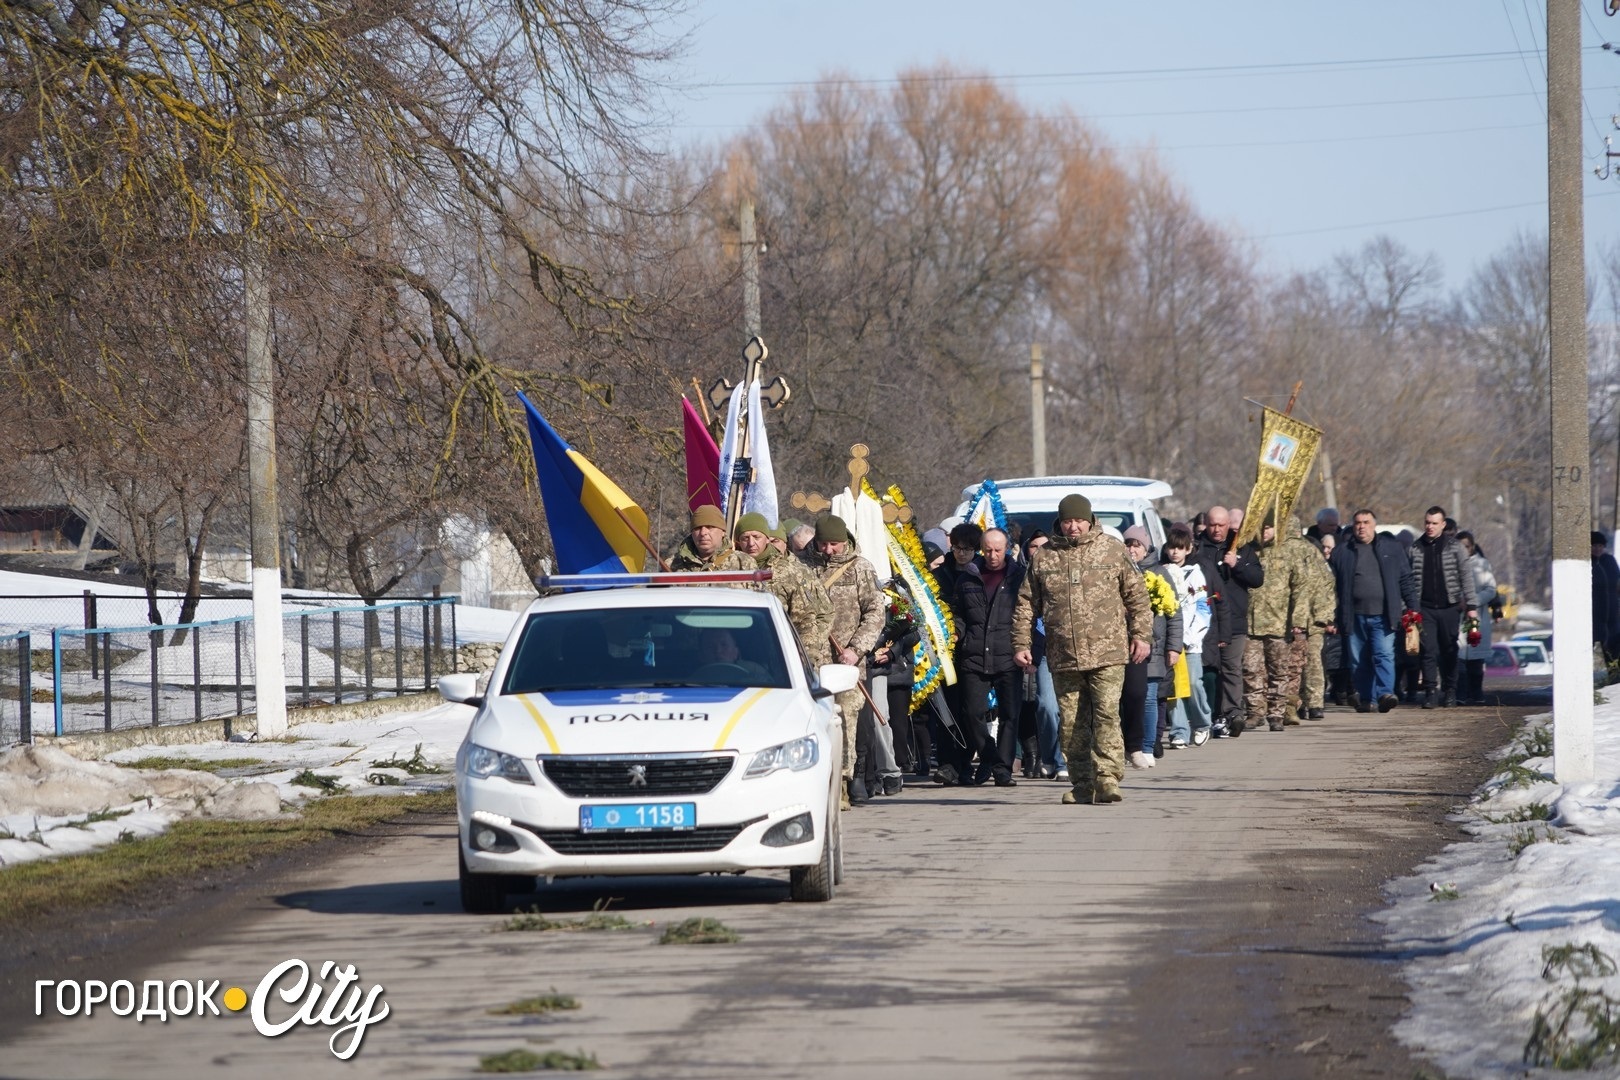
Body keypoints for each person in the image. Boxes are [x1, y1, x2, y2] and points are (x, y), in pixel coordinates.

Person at [1012, 494, 1151, 805]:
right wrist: (1021, 643)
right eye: (1067, 520)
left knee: (1106, 714)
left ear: (1090, 520)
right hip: (1064, 654)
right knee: (1072, 720)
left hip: (1108, 652)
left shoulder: (1111, 550)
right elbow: (1025, 604)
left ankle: (1108, 777)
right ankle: (1082, 782)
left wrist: (1141, 636)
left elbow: (1138, 597)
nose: (1073, 526)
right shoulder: (1044, 556)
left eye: (1078, 520)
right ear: (1059, 522)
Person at [806, 515, 886, 807]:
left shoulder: (861, 569)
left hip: (847, 662)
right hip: (810, 662)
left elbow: (875, 613)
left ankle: (846, 779)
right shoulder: (801, 566)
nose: (829, 550)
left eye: (835, 544)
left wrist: (856, 649)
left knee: (847, 721)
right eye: (824, 544)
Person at [946, 527, 1026, 787]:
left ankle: (1003, 770)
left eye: (998, 550)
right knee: (972, 713)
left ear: (1008, 549)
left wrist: (1028, 650)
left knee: (1010, 714)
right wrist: (957, 632)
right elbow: (957, 612)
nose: (992, 555)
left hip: (1008, 655)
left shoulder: (1019, 578)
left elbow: (1029, 615)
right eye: (988, 550)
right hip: (974, 654)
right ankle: (990, 755)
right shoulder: (968, 577)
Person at [1329, 509, 1416, 713]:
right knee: (1359, 659)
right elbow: (1330, 586)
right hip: (1353, 616)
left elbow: (1406, 580)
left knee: (1384, 654)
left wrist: (1413, 608)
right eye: (1358, 522)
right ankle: (1367, 699)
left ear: (1374, 525)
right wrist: (1331, 616)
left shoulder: (1392, 549)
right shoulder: (1342, 552)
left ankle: (1385, 694)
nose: (1361, 526)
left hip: (1385, 615)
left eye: (1366, 522)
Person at [1194, 505, 1264, 737]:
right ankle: (1211, 715)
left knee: (1231, 668)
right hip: (1205, 622)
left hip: (1234, 621)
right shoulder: (1196, 547)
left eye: (1221, 525)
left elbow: (1257, 578)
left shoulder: (1241, 545)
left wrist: (1238, 564)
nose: (1216, 530)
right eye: (1213, 525)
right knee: (1208, 670)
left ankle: (1233, 713)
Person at [1243, 512, 1316, 732]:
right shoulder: (1249, 550)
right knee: (1251, 669)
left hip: (1279, 621)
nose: (1264, 532)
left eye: (1268, 528)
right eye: (1261, 528)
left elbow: (1302, 587)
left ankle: (1276, 712)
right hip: (1251, 622)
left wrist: (1298, 619)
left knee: (1279, 670)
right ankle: (1255, 711)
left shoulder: (1289, 551)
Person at [733, 512, 833, 664]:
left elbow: (807, 620)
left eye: (756, 537)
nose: (751, 543)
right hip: (737, 655)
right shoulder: (731, 570)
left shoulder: (788, 571)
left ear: (767, 538)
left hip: (782, 658)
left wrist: (805, 659)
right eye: (745, 538)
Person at [1124, 525, 1182, 766]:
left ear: (1146, 547)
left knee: (1148, 697)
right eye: (1128, 544)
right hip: (1124, 646)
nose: (1131, 549)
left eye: (1136, 544)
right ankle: (1130, 744)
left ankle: (1147, 746)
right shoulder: (1120, 570)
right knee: (1129, 698)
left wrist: (1174, 647)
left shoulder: (1159, 573)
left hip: (1154, 645)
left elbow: (1174, 613)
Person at [1409, 506, 1478, 708]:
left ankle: (1450, 690)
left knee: (1449, 649)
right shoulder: (1415, 548)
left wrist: (1471, 606)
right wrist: (1409, 608)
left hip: (1450, 606)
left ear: (1443, 524)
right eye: (1427, 523)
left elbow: (1467, 577)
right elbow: (1408, 580)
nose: (1430, 527)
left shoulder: (1455, 547)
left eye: (1434, 523)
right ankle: (1431, 691)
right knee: (1428, 649)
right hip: (1425, 608)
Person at [1158, 525, 1213, 747]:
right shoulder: (1161, 572)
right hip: (1169, 641)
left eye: (1180, 548)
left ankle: (1201, 724)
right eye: (1172, 548)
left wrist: (1189, 637)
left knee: (1193, 683)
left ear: (1188, 549)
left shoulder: (1196, 573)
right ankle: (1179, 730)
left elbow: (1202, 609)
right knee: (1173, 687)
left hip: (1190, 643)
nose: (1175, 552)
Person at [1023, 532, 1068, 779]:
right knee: (1047, 706)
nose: (1039, 550)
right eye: (1034, 545)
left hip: (1070, 649)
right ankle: (1050, 757)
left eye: (1045, 546)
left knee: (1070, 707)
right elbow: (1023, 611)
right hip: (1043, 650)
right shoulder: (1026, 575)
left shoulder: (1066, 571)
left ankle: (1063, 761)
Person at [1297, 531, 1339, 721]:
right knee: (1295, 665)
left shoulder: (1320, 568)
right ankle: (1297, 703)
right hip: (1293, 623)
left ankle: (1314, 703)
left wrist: (1324, 618)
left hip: (1313, 621)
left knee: (1313, 662)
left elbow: (1327, 593)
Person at [1457, 531, 1497, 705]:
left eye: (1466, 546)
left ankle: (1476, 692)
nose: (1463, 550)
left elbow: (1491, 589)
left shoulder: (1482, 564)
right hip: (1457, 616)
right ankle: (1460, 692)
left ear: (1472, 547)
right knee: (1458, 658)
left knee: (1475, 658)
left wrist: (1473, 601)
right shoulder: (1450, 564)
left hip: (1476, 616)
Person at [671, 505, 756, 574]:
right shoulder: (672, 564)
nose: (703, 532)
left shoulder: (744, 563)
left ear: (723, 532)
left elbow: (758, 594)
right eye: (697, 528)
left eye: (710, 527)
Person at [1593, 531, 1620, 661]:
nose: (1597, 548)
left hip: (1613, 617)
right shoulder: (1586, 565)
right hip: (1595, 617)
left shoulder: (1609, 561)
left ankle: (1614, 678)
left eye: (1600, 545)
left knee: (1614, 652)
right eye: (1594, 545)